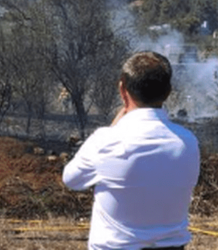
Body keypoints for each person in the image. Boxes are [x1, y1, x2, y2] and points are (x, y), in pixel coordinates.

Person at [62, 51, 200, 250]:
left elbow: (71, 179)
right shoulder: (188, 142)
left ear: (122, 89)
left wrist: (113, 128)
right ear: (168, 91)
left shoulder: (106, 141)